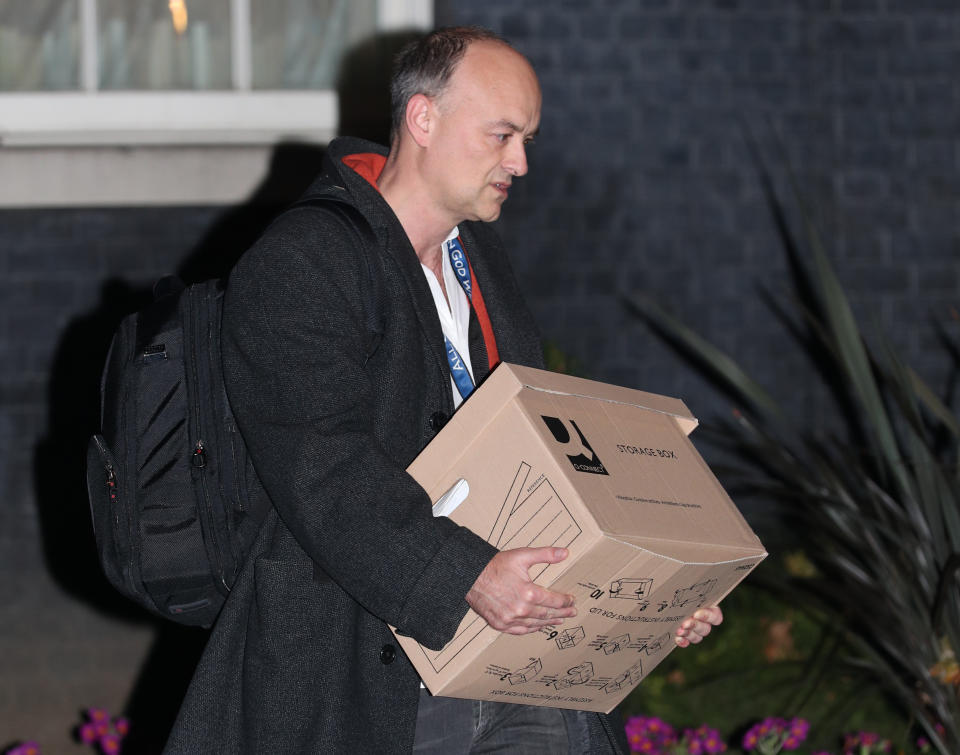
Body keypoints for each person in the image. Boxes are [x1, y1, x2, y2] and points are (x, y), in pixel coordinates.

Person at [163, 26, 722, 754]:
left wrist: (643, 596)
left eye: (527, 138)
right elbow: (322, 471)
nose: (520, 161)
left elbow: (536, 464)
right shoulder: (301, 263)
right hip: (360, 669)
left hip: (507, 664)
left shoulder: (480, 261)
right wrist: (464, 574)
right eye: (502, 135)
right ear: (423, 119)